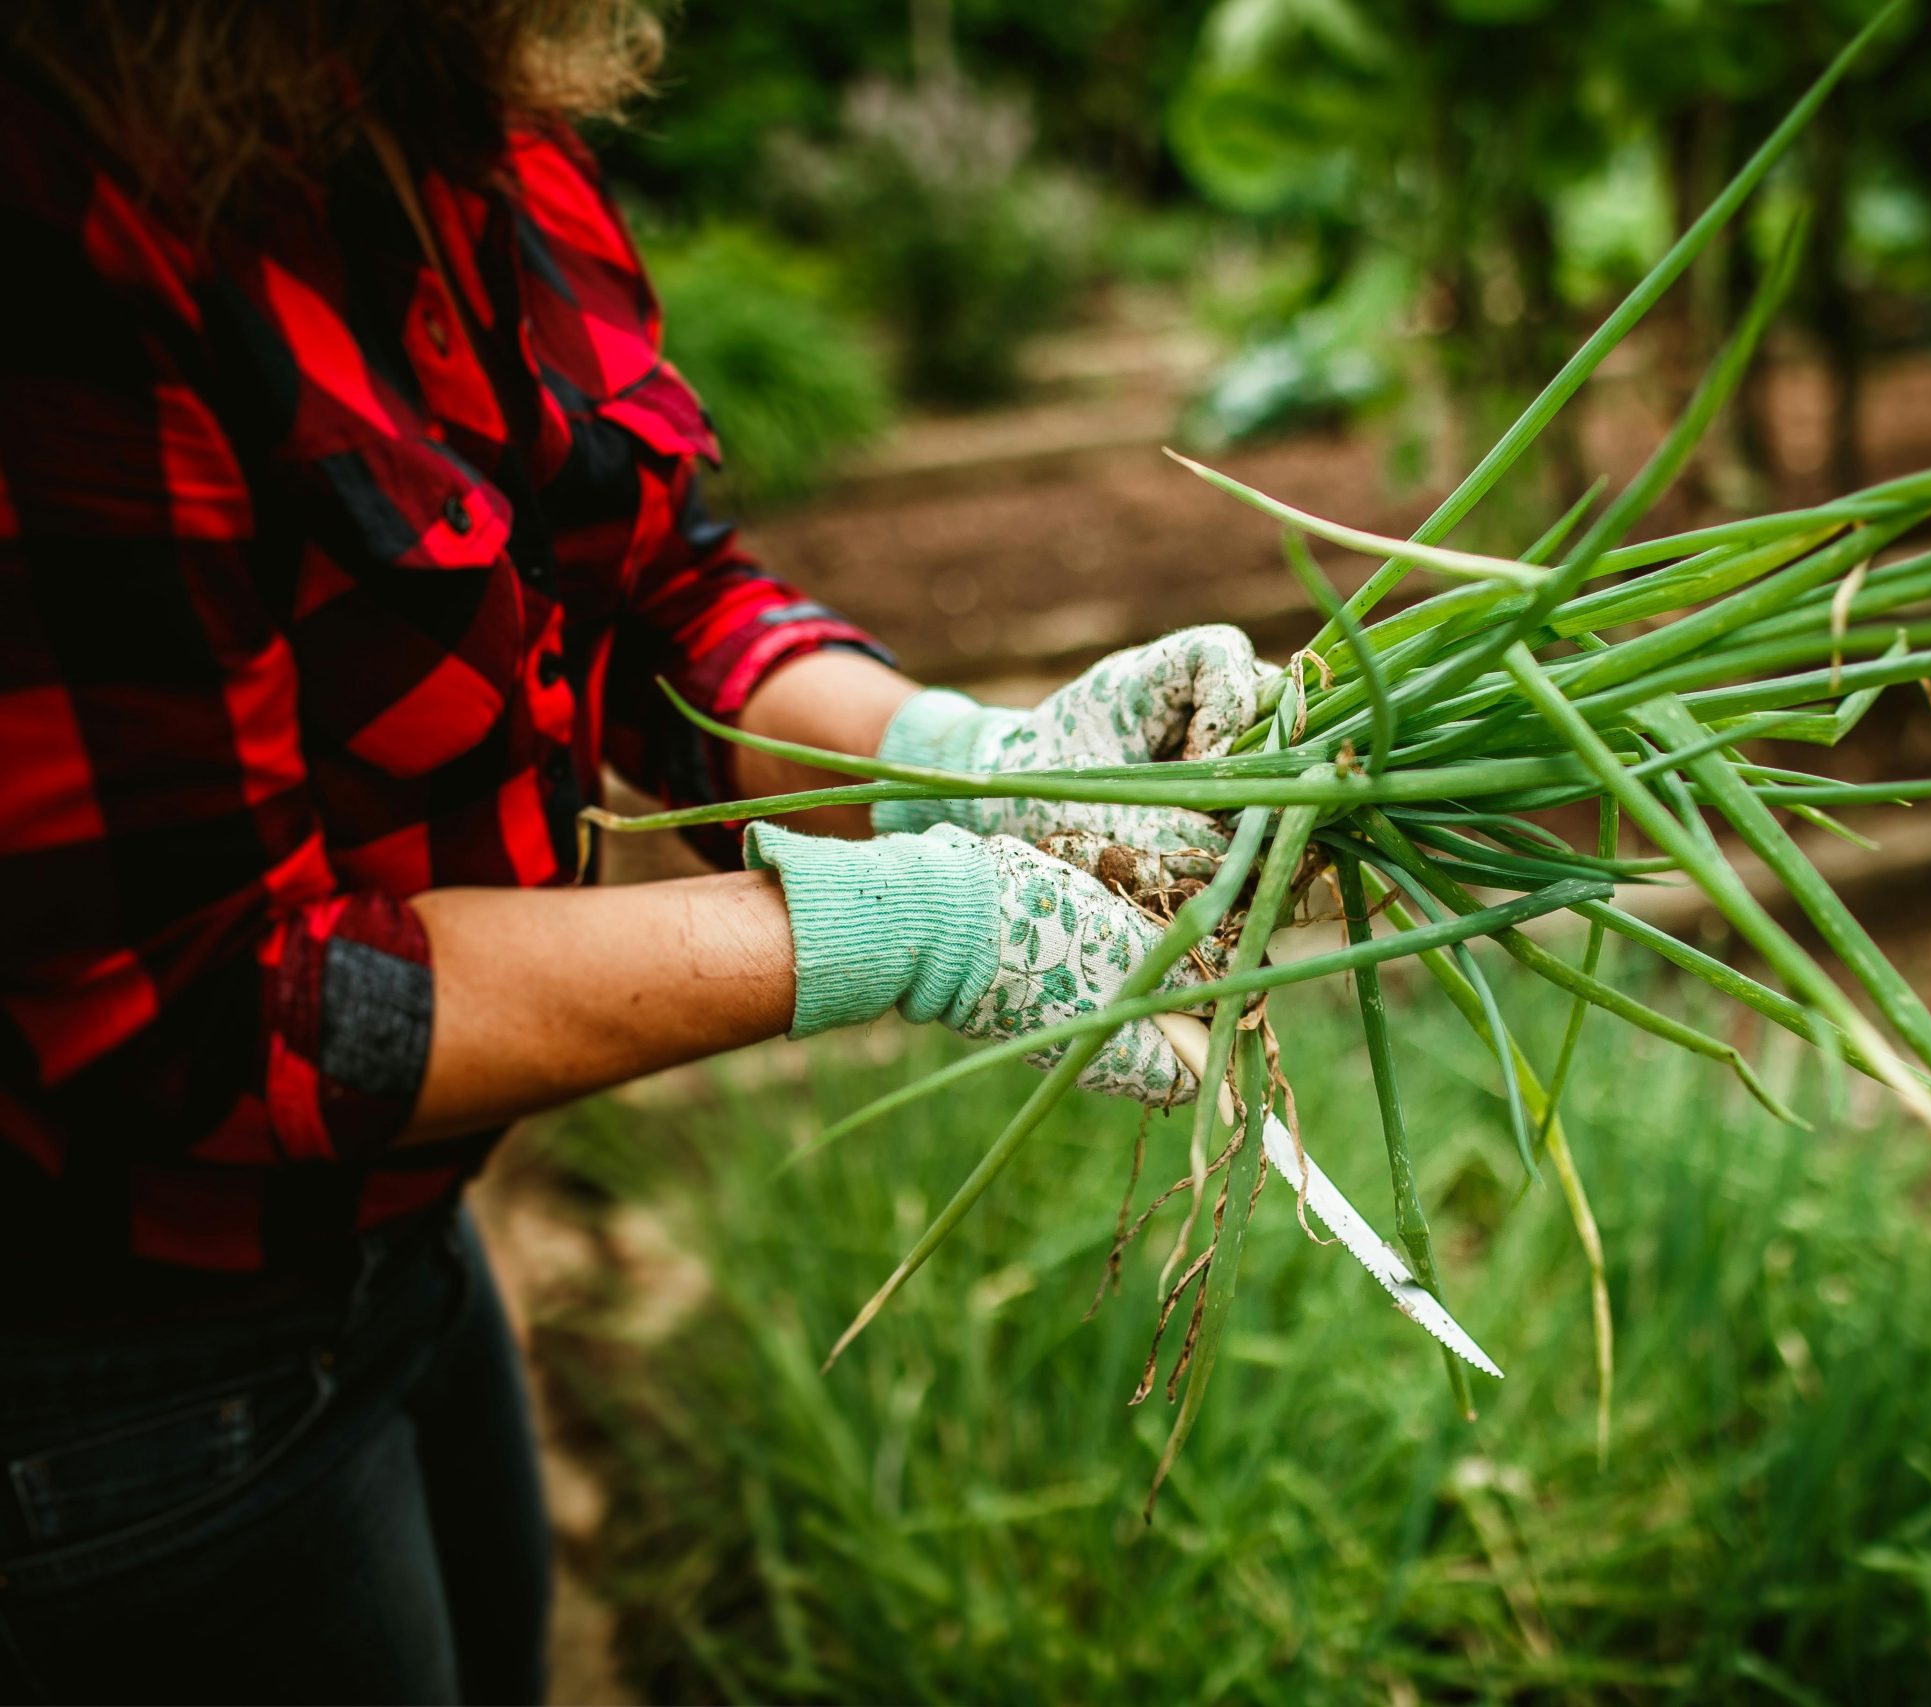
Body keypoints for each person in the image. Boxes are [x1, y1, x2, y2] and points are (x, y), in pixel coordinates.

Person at [0, 5, 1256, 1699]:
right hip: (126, 1365)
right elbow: (204, 1005)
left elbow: (655, 593)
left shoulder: (456, 109)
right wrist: (914, 928)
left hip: (407, 1233)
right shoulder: (60, 220)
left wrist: (980, 761)